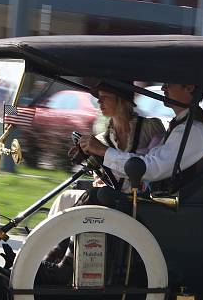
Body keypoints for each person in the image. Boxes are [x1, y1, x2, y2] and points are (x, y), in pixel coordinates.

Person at [48, 82, 165, 217]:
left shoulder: (150, 127)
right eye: (99, 96)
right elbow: (101, 176)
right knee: (66, 197)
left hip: (136, 201)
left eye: (105, 96)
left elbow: (156, 166)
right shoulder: (101, 139)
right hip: (109, 197)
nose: (99, 101)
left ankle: (61, 234)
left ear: (121, 99)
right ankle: (59, 236)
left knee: (74, 198)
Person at [78, 83, 203, 193]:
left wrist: (104, 151)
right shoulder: (183, 126)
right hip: (165, 201)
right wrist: (99, 158)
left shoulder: (193, 129)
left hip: (173, 209)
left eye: (168, 83)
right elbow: (146, 158)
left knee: (95, 196)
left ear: (189, 87)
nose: (163, 88)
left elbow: (150, 168)